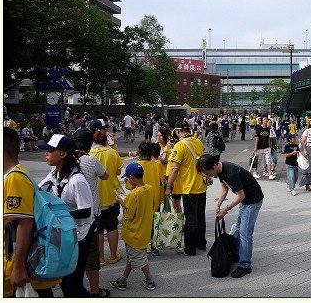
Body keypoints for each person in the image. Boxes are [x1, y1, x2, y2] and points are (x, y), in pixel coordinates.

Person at [4, 128, 58, 298]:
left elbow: (24, 224)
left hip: (17, 266)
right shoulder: (11, 176)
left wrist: (18, 268)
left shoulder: (15, 178)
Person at [37, 134, 95, 297]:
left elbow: (86, 211)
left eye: (50, 150)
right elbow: (39, 189)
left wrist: (58, 215)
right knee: (63, 280)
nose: (46, 154)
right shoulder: (55, 172)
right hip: (66, 232)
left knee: (72, 284)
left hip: (81, 235)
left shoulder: (77, 180)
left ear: (62, 154)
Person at [196, 154, 264, 278]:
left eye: (207, 171)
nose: (208, 175)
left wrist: (226, 209)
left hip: (252, 201)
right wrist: (218, 204)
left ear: (214, 165)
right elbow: (224, 187)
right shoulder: (220, 171)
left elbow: (241, 195)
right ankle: (237, 254)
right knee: (238, 229)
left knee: (245, 234)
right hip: (245, 201)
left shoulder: (231, 172)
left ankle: (245, 265)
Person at [73, 129, 111, 298]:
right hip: (89, 216)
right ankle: (95, 291)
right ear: (90, 144)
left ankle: (73, 288)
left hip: (69, 216)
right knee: (90, 255)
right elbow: (105, 176)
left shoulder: (67, 160)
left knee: (72, 253)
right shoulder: (91, 160)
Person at [110, 162, 156, 291]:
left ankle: (149, 280)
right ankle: (123, 279)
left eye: (128, 178)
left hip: (134, 232)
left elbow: (129, 214)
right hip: (144, 230)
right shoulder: (150, 188)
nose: (127, 181)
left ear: (132, 178)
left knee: (139, 259)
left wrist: (121, 202)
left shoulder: (133, 194)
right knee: (133, 257)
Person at [164, 121, 207, 256]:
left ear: (177, 131)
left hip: (189, 187)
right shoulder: (198, 142)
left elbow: (175, 168)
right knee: (200, 216)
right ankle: (201, 244)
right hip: (201, 185)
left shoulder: (180, 145)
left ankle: (190, 249)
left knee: (191, 218)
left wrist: (169, 186)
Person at [88, 119, 124, 267]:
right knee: (112, 226)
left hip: (95, 197)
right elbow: (117, 171)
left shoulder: (89, 154)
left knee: (98, 229)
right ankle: (113, 256)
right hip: (111, 195)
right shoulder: (112, 152)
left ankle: (101, 258)